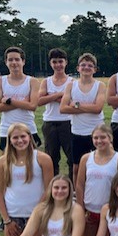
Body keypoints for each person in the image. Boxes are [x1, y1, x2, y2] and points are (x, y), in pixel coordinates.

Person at [0, 123, 54, 236]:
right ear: (9, 140)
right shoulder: (3, 162)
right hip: (13, 216)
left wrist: (35, 215)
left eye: (23, 136)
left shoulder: (43, 159)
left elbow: (49, 189)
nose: (20, 140)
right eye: (15, 138)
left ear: (29, 137)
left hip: (35, 214)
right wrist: (6, 220)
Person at [76, 124, 118, 236]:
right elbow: (80, 184)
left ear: (110, 138)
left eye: (103, 137)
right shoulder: (86, 158)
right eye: (95, 138)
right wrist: (80, 208)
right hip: (90, 210)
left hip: (110, 211)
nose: (99, 141)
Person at [60, 53, 106, 182]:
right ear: (78, 68)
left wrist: (76, 105)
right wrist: (88, 107)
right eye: (83, 65)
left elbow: (98, 109)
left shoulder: (100, 85)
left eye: (90, 66)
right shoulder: (71, 85)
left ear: (95, 69)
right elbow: (63, 108)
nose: (86, 67)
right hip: (77, 132)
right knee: (77, 167)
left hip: (96, 132)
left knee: (99, 165)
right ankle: (77, 193)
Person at [0, 46, 40, 152]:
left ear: (23, 61)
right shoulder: (0, 81)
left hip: (28, 128)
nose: (14, 62)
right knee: (7, 164)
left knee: (30, 164)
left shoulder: (32, 82)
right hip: (7, 130)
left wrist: (9, 101)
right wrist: (24, 102)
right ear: (6, 62)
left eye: (17, 59)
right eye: (10, 59)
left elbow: (32, 106)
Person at [38, 48, 73, 179]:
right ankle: (52, 186)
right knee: (51, 157)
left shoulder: (72, 82)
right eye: (54, 62)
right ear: (50, 63)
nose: (58, 65)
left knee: (72, 157)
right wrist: (60, 95)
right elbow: (39, 101)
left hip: (68, 122)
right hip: (50, 122)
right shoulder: (46, 82)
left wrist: (50, 95)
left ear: (66, 62)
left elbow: (72, 103)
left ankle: (72, 188)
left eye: (60, 61)